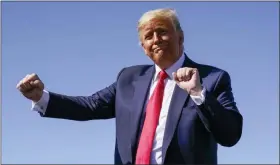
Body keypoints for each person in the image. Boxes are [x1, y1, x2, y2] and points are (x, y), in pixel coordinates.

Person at [17, 8, 243, 165]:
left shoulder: (212, 78)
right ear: (143, 47)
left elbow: (230, 135)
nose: (156, 39)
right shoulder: (128, 78)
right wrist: (41, 97)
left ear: (180, 37)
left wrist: (197, 92)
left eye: (162, 31)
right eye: (149, 36)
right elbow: (90, 106)